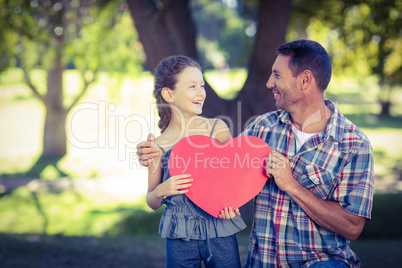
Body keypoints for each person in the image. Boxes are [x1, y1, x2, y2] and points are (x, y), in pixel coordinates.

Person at [137, 40, 374, 267]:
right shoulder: (261, 129)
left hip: (323, 261)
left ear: (305, 81)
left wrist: (291, 184)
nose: (269, 83)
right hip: (265, 261)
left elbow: (352, 227)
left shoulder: (353, 145)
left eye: (277, 75)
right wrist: (155, 157)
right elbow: (224, 168)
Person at [145, 55, 246, 268]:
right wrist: (163, 189)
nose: (201, 93)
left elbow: (233, 180)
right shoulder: (158, 145)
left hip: (220, 228)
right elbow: (151, 200)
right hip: (179, 234)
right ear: (168, 94)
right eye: (192, 86)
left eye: (202, 85)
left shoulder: (217, 130)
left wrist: (232, 203)